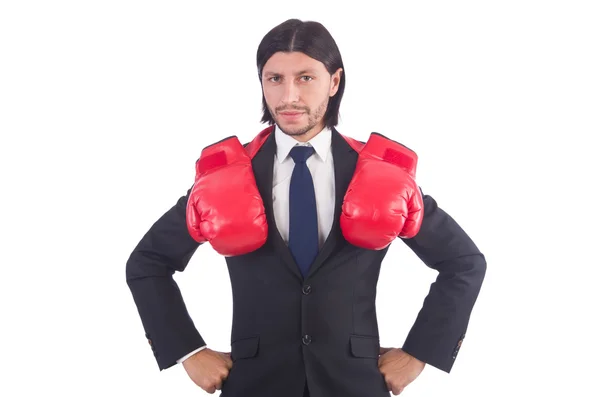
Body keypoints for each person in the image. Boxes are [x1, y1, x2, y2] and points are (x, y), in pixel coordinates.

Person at [126, 18, 486, 397]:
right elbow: (148, 263)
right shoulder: (226, 177)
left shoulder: (381, 175)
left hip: (355, 385)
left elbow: (464, 262)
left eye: (306, 78)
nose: (288, 96)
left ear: (334, 82)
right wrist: (189, 350)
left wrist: (418, 353)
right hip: (254, 385)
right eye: (275, 79)